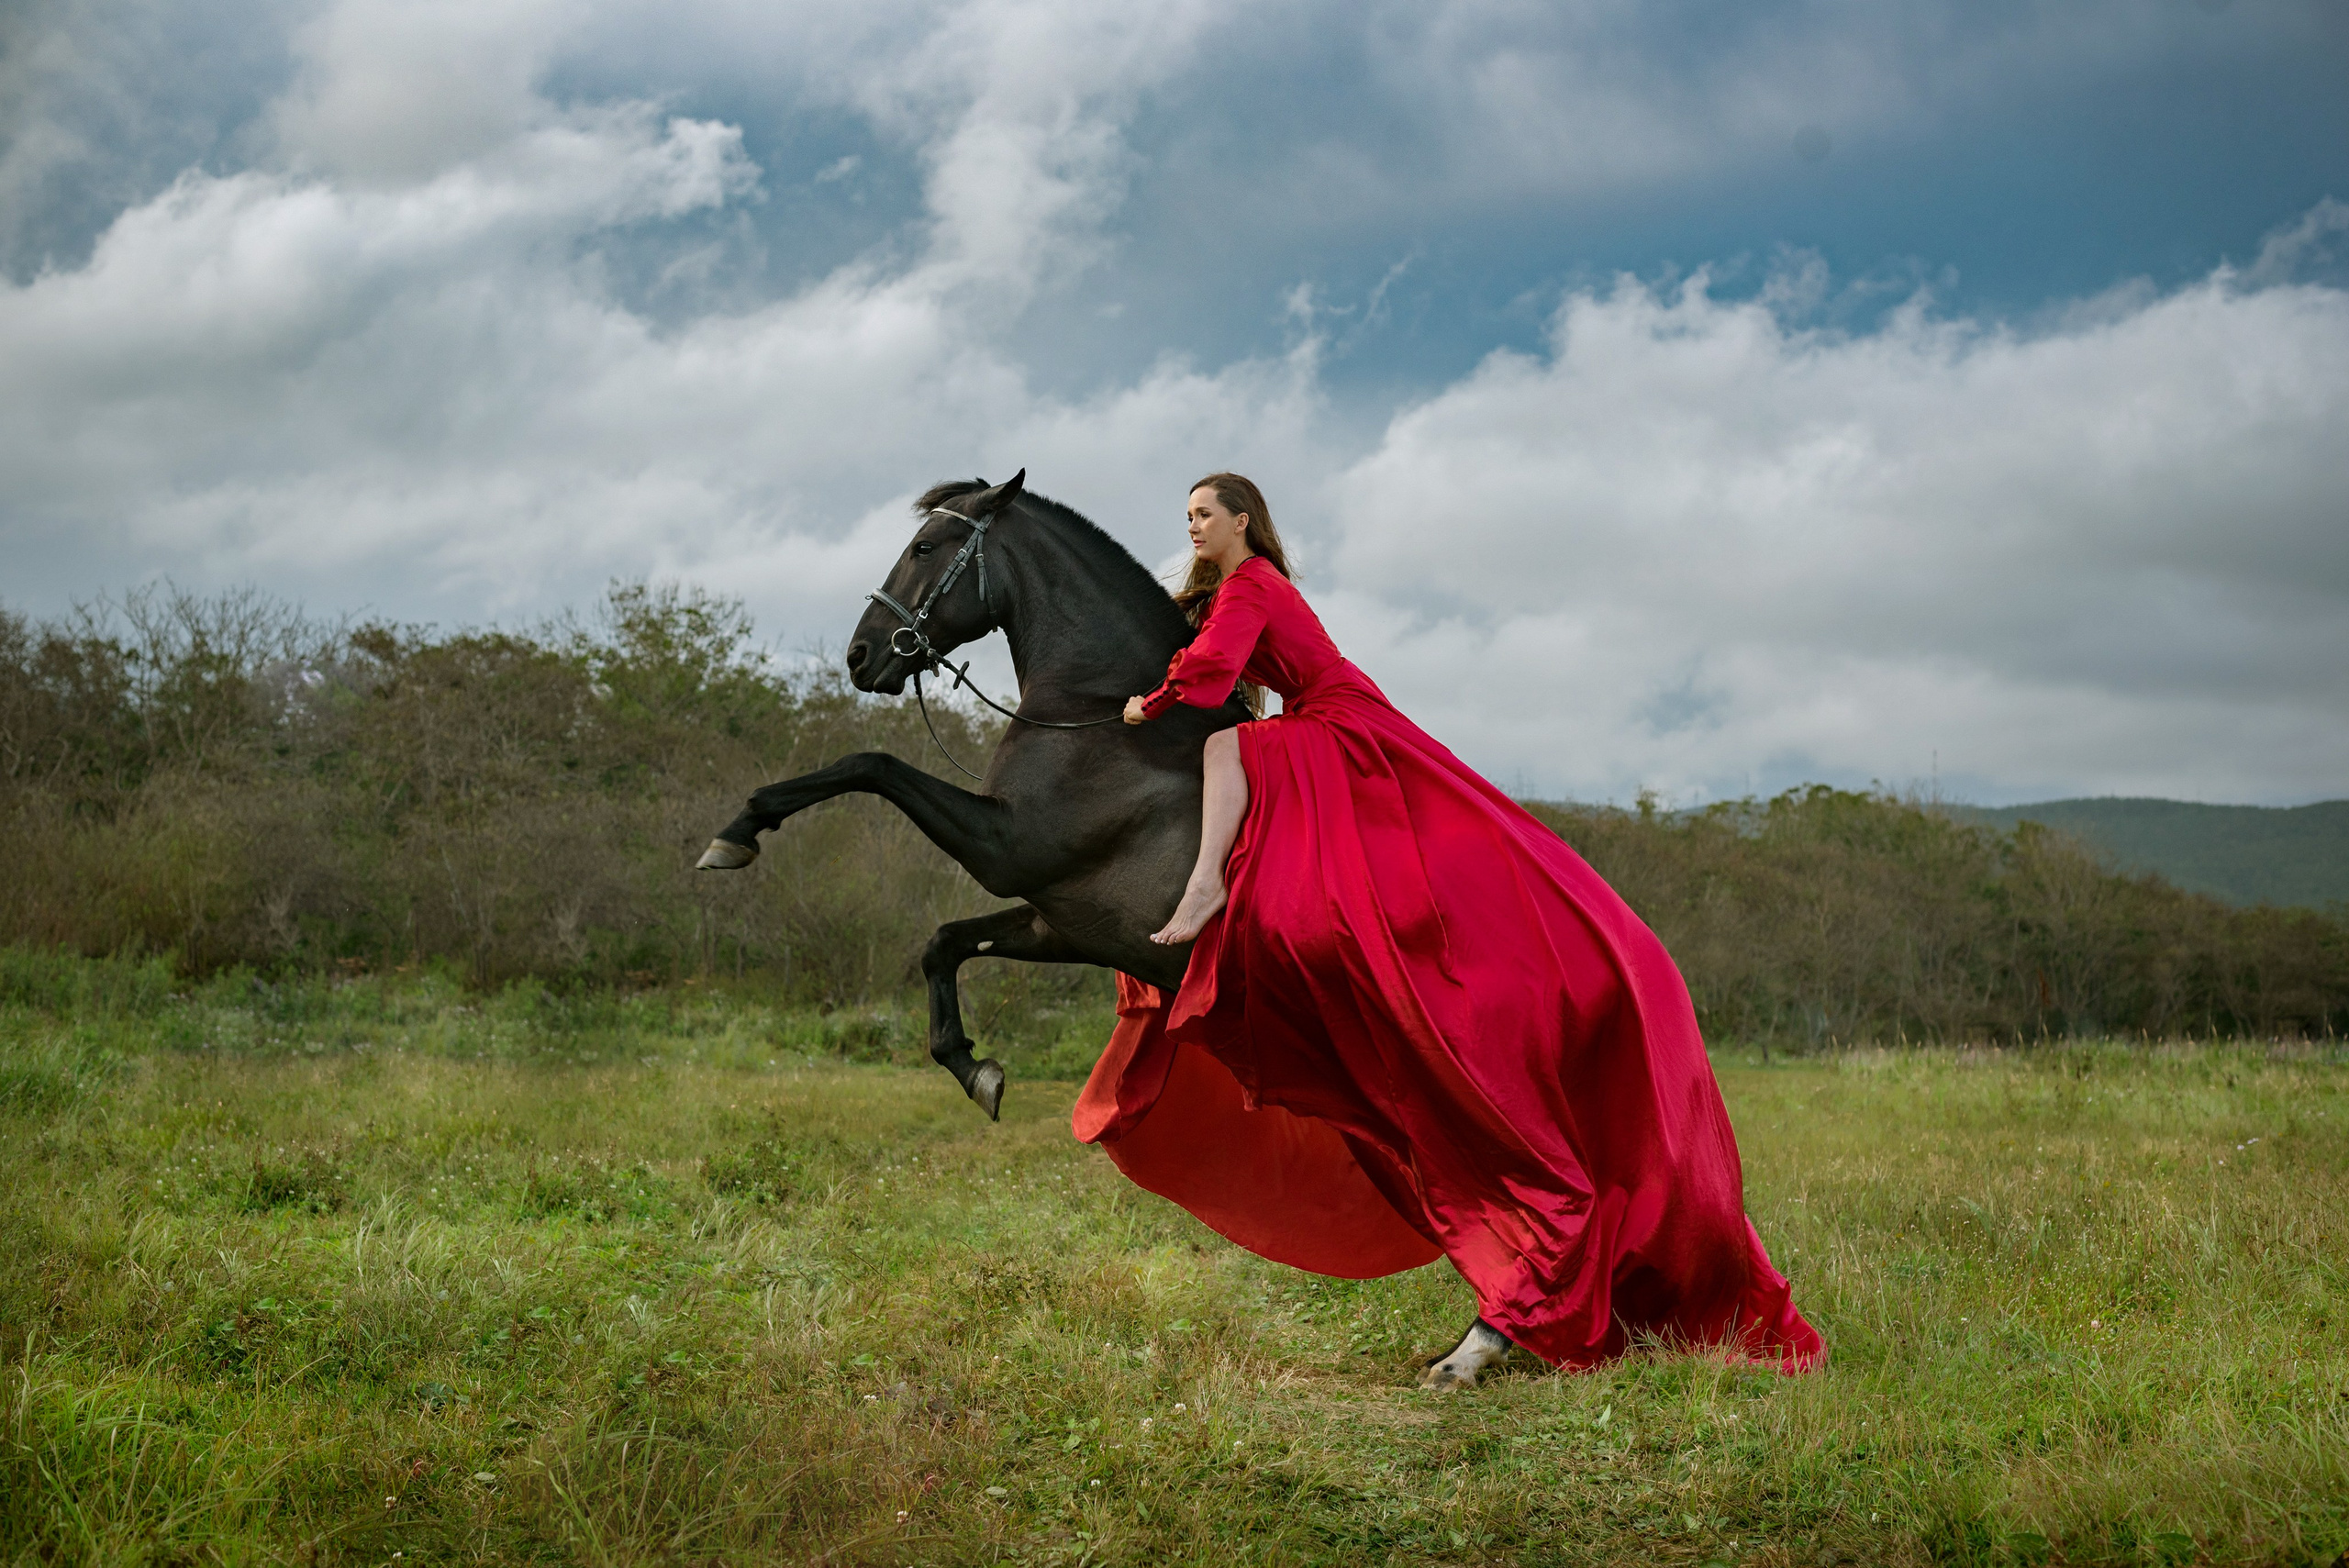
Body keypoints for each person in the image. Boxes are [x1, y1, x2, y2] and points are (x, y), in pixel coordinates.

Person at [1080, 472, 1822, 1379]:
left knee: (1224, 744)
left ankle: (1204, 889)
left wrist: (1144, 706)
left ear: (1243, 520)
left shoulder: (1252, 584)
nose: (1193, 524)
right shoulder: (1237, 588)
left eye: (1205, 513)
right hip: (1335, 716)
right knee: (1248, 765)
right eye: (1187, 515)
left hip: (1338, 720)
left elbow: (1210, 676)